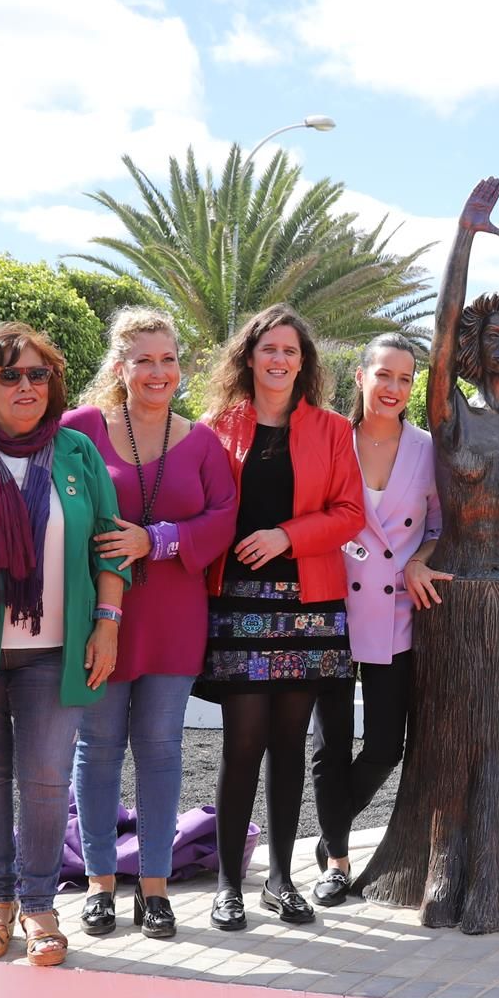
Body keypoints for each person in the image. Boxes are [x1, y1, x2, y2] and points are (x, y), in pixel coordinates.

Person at [0, 324, 132, 968]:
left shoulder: (77, 452)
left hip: (57, 649)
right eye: (11, 375)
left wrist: (107, 621)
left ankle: (40, 903)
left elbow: (109, 543)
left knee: (46, 781)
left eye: (38, 375)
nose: (27, 386)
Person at [64, 308, 236, 940]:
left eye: (168, 359)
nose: (158, 372)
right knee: (98, 749)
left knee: (162, 749)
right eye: (144, 360)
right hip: (97, 619)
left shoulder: (202, 441)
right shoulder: (80, 429)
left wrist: (158, 540)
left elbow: (223, 517)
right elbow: (22, 464)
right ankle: (101, 884)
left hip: (173, 618)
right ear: (119, 367)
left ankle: (156, 888)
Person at [197, 304, 364, 928]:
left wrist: (286, 537)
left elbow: (350, 513)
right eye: (269, 349)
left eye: (291, 351)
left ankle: (281, 879)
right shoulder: (214, 429)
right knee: (242, 742)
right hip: (237, 604)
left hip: (311, 607)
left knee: (290, 744)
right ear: (249, 357)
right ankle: (227, 885)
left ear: (305, 362)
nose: (280, 360)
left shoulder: (330, 431)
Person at [341, 332, 445, 828]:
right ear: (361, 377)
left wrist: (421, 559)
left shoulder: (429, 448)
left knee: (385, 747)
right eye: (384, 374)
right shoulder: (330, 439)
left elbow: (443, 527)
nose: (394, 387)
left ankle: (327, 834)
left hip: (398, 612)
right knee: (327, 747)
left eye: (406, 378)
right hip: (330, 610)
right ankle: (335, 858)